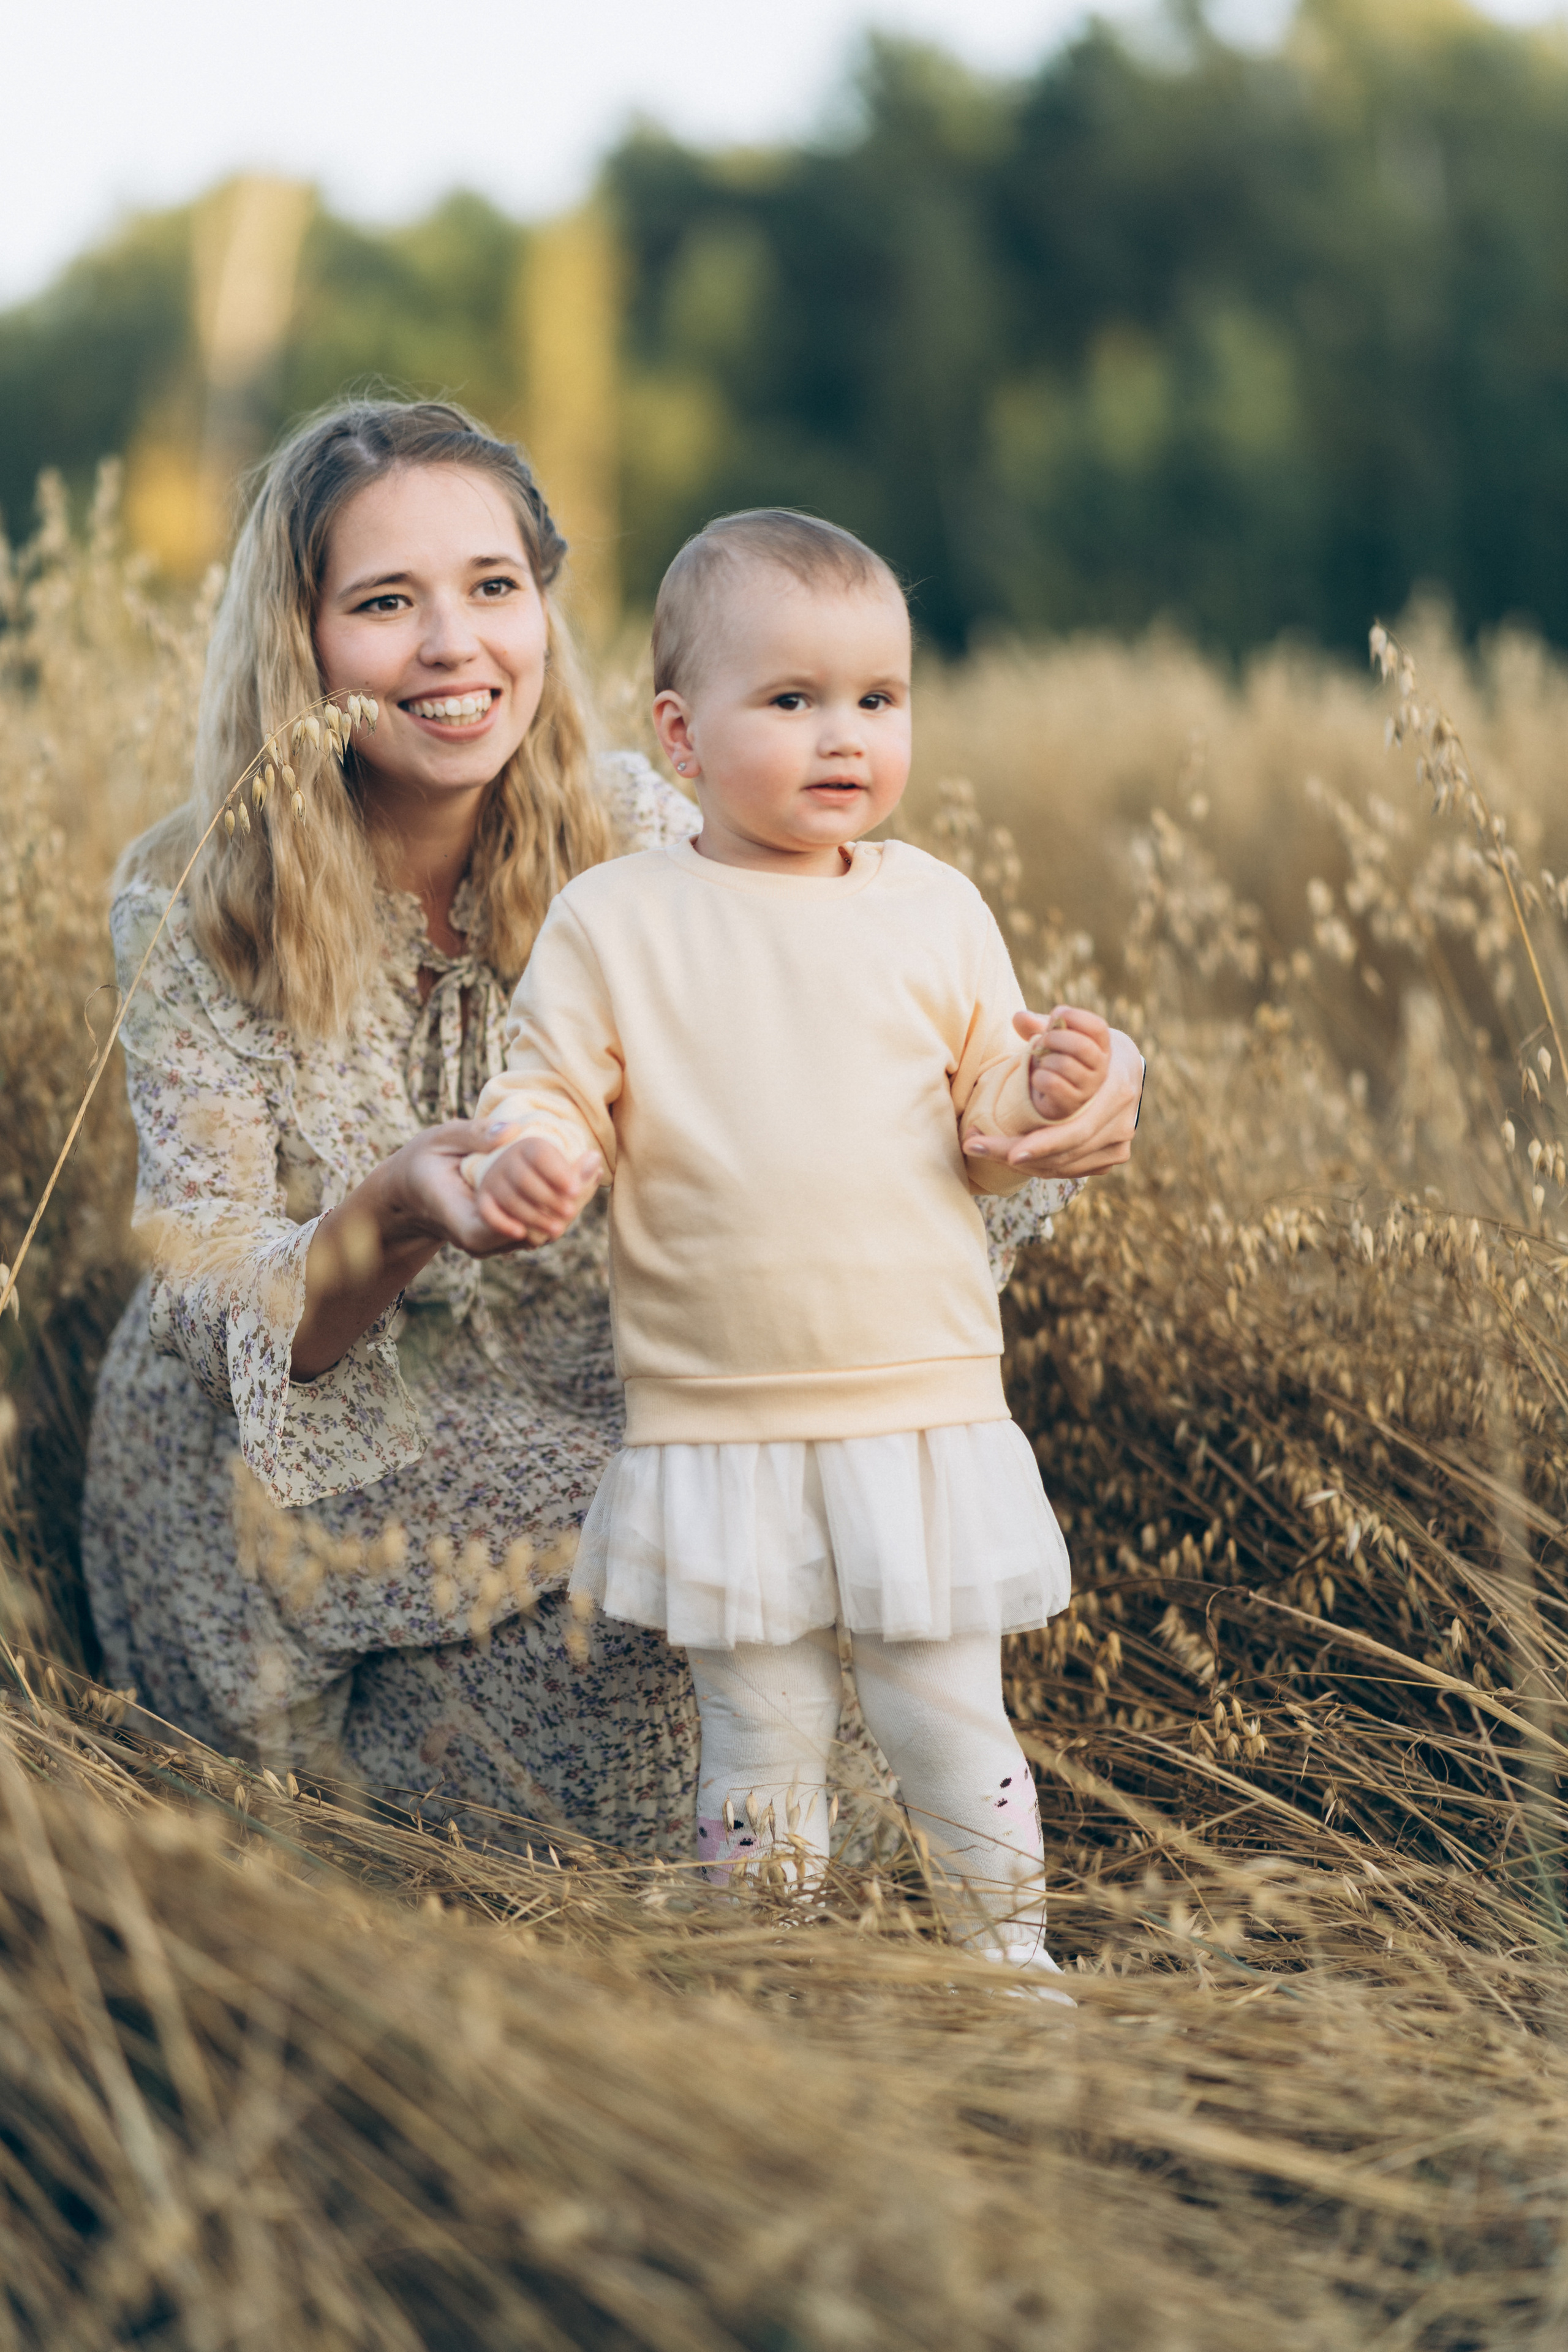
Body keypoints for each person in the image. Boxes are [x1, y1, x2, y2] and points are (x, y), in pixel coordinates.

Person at [81, 401, 1145, 1856]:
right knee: (619, 1791)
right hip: (319, 1454)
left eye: (494, 589)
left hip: (608, 1389)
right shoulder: (202, 905)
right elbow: (210, 1284)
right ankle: (353, 1794)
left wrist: (1049, 1106)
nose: (456, 646)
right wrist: (392, 1211)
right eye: (387, 603)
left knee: (811, 1691)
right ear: (299, 640)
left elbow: (900, 1069)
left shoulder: (661, 832)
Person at [461, 509, 1132, 1972]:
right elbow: (553, 1087)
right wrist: (538, 1156)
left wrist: (1051, 1082)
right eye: (791, 700)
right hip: (724, 1420)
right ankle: (774, 1982)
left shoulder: (931, 909)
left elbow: (986, 1102)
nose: (845, 737)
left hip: (915, 1402)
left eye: (876, 700)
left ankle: (1007, 1967)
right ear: (680, 735)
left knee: (946, 1719)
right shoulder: (616, 919)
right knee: (759, 1740)